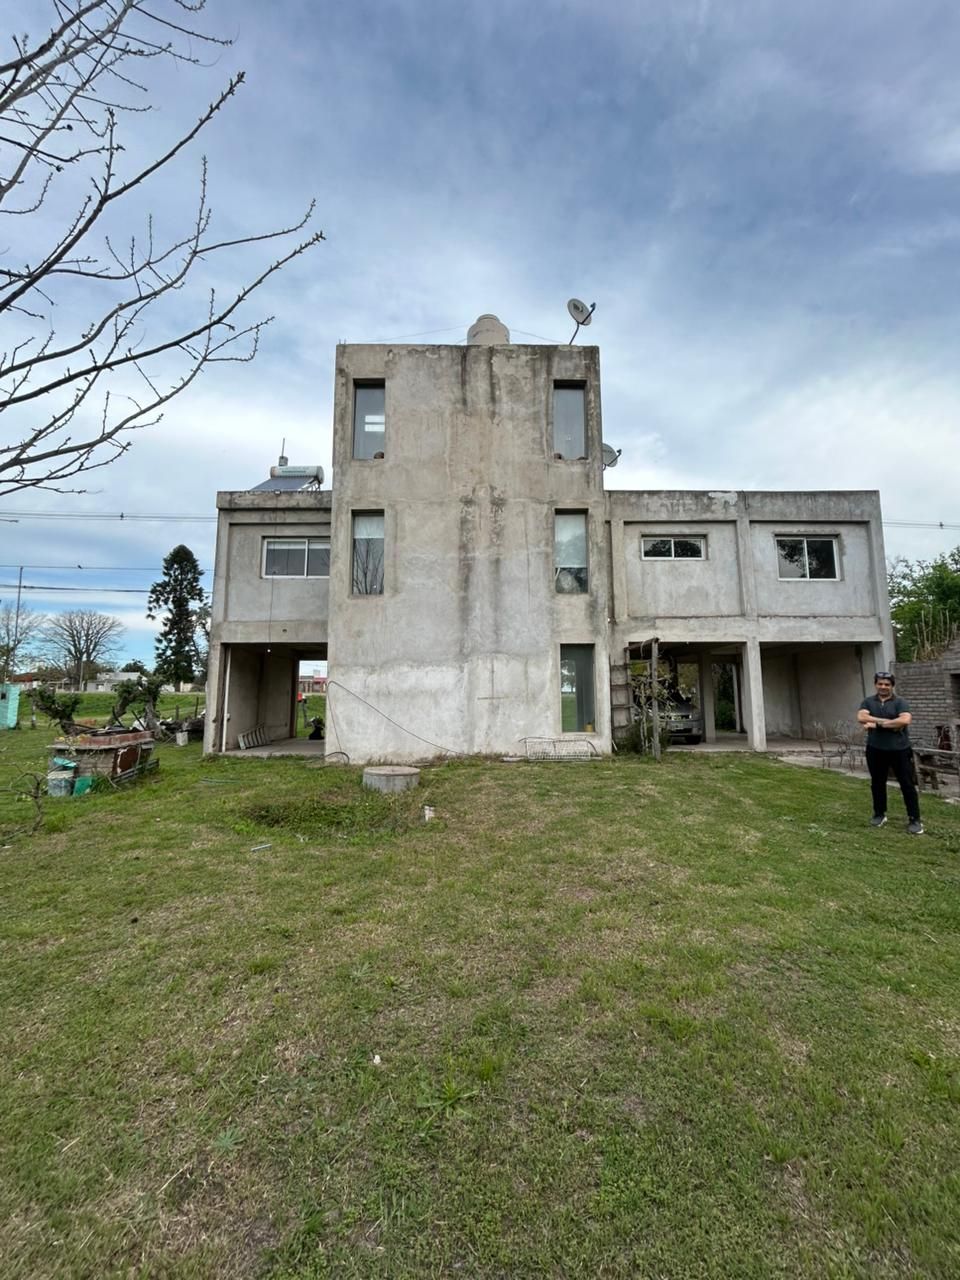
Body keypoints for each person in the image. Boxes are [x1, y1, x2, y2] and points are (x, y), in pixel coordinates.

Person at [857, 671, 923, 834]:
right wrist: (890, 723)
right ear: (876, 685)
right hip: (875, 749)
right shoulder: (868, 701)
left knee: (907, 784)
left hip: (899, 750)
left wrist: (875, 724)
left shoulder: (900, 702)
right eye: (880, 684)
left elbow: (905, 720)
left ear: (892, 686)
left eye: (887, 684)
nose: (883, 687)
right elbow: (861, 717)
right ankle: (879, 814)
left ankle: (915, 819)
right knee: (877, 783)